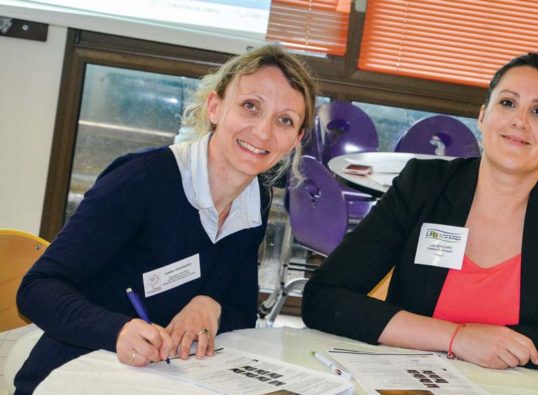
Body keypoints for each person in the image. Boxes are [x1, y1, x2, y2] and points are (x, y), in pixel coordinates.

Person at [302, 53, 538, 379]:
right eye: (507, 103)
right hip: (408, 382)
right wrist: (459, 338)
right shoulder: (423, 186)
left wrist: (505, 345)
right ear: (483, 116)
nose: (520, 121)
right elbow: (324, 298)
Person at [14, 44, 317, 394]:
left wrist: (210, 304)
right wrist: (116, 330)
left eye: (285, 120)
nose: (263, 132)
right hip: (76, 370)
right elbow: (37, 289)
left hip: (165, 380)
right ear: (215, 107)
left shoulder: (255, 196)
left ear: (296, 139)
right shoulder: (143, 180)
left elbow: (240, 313)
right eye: (250, 106)